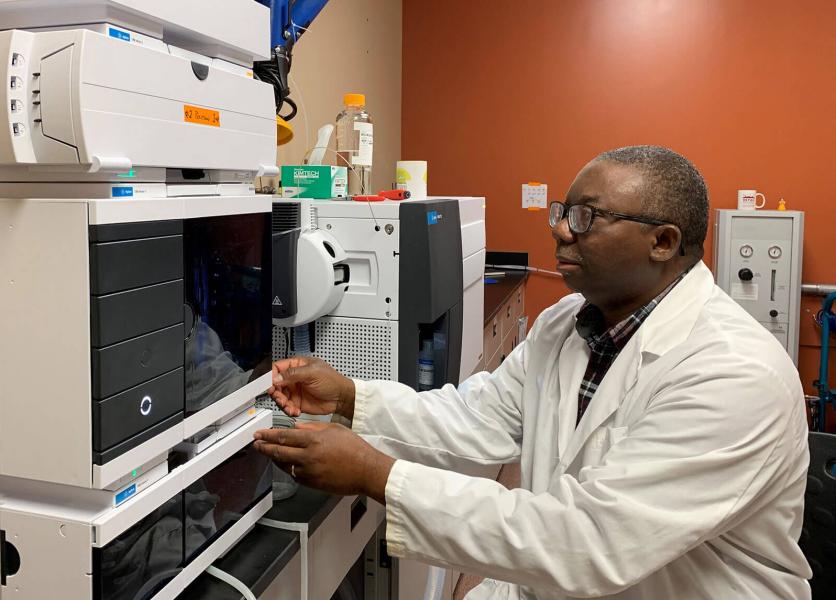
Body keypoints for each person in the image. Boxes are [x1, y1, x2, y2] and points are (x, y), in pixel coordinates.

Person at [253, 146, 812, 599]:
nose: (561, 231)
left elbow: (592, 542)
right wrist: (352, 396)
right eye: (562, 212)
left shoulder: (735, 374)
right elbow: (475, 417)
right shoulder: (567, 323)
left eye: (585, 218)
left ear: (663, 242)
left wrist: (376, 473)